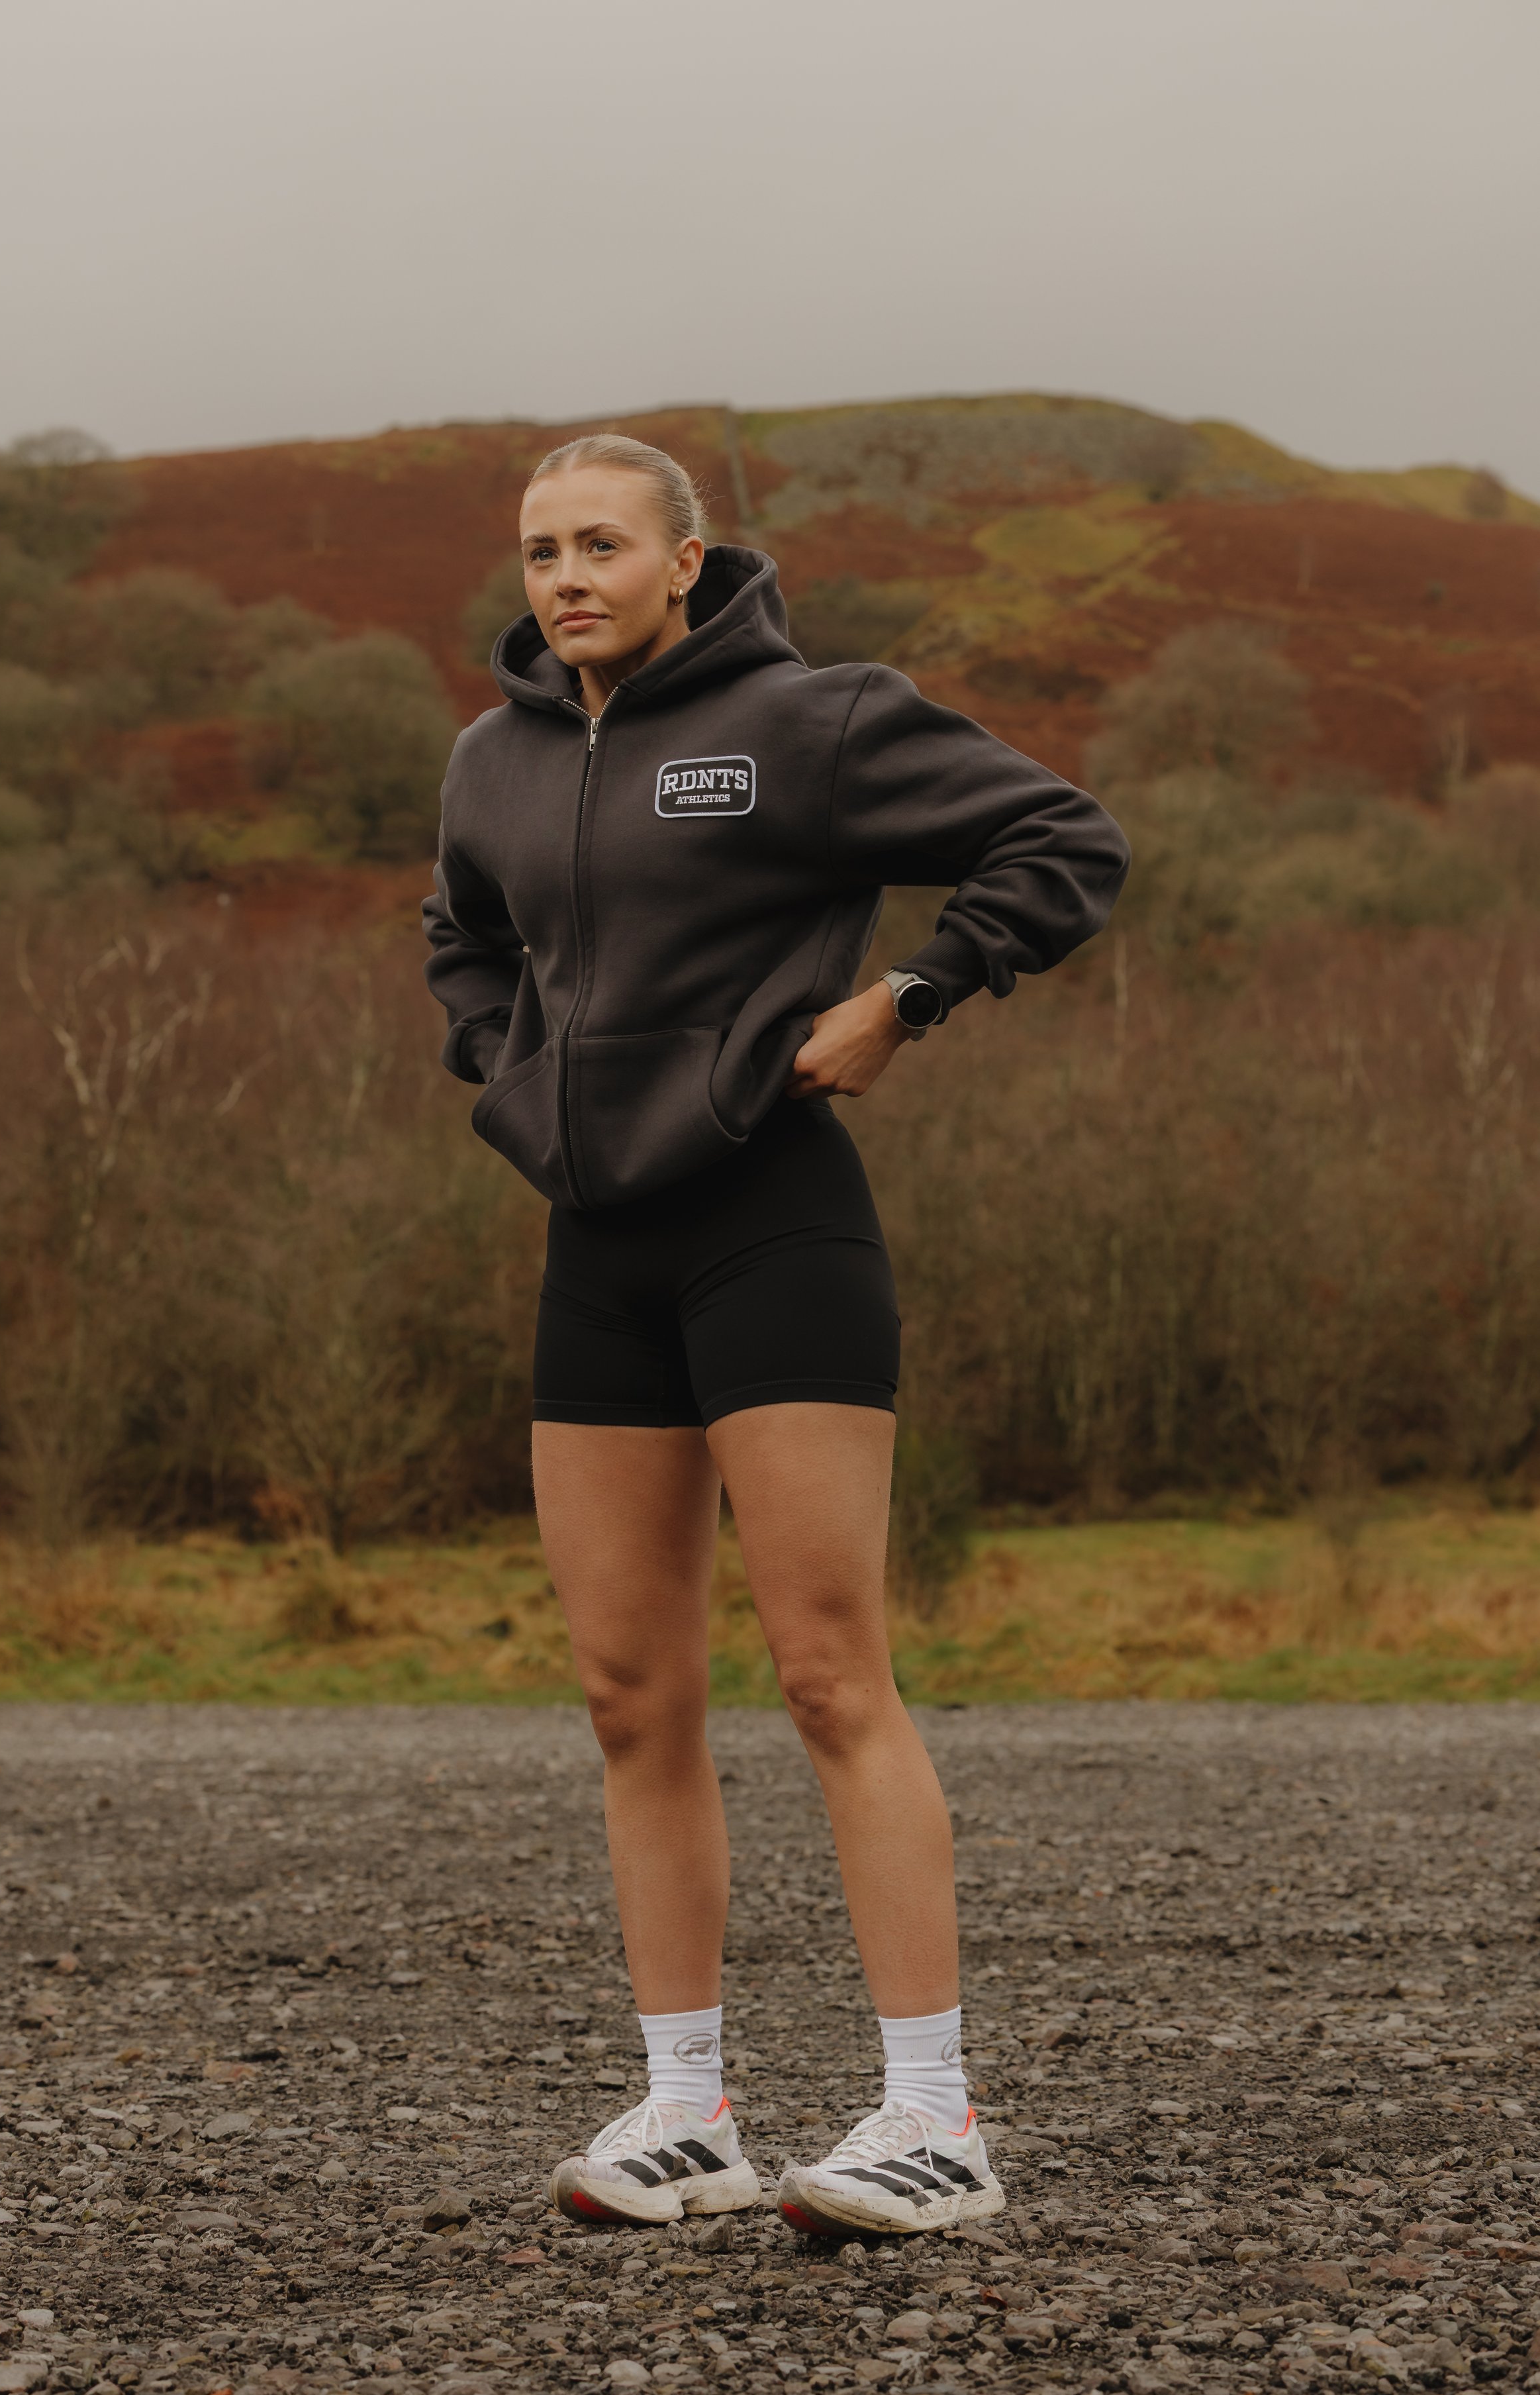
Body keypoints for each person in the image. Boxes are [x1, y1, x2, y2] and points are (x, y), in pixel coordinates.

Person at [423, 433, 1128, 2238]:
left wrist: (907, 994)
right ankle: (686, 2114)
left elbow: (1062, 836)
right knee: (628, 1693)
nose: (564, 574)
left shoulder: (806, 725)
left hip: (773, 1230)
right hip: (597, 1249)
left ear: (685, 559)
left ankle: (932, 2119)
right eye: (538, 548)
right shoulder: (491, 761)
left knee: (825, 1672)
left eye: (600, 543)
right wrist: (508, 1080)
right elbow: (463, 943)